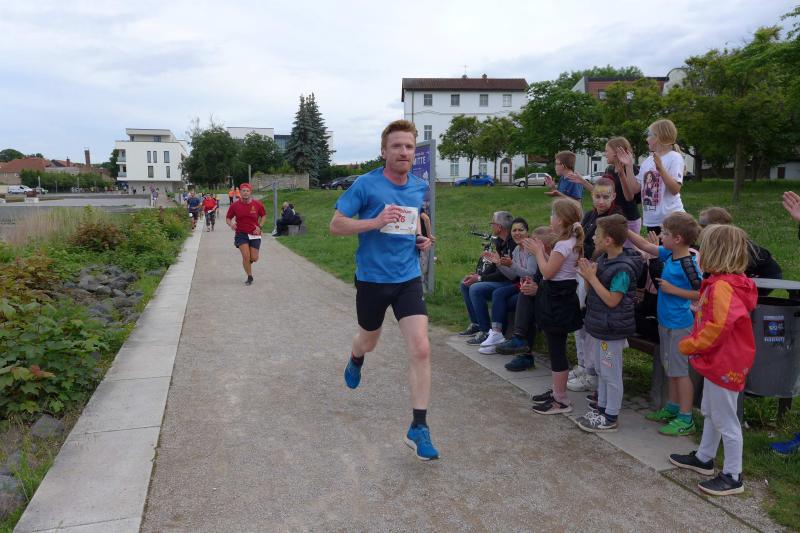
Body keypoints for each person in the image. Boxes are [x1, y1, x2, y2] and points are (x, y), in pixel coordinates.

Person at [330, 119, 437, 461]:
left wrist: (422, 239)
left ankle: (418, 426)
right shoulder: (366, 184)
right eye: (397, 146)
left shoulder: (419, 187)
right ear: (383, 150)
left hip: (407, 278)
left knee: (421, 347)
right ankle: (356, 356)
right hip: (373, 280)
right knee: (369, 340)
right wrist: (375, 222)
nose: (404, 152)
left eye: (409, 146)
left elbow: (415, 220)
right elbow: (336, 225)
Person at [668, 224, 757, 496]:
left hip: (724, 361)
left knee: (725, 419)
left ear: (715, 252)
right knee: (710, 410)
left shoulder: (722, 287)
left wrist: (690, 344)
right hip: (720, 360)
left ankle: (733, 475)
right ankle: (705, 457)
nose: (700, 253)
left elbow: (718, 327)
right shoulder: (725, 283)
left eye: (704, 248)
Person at [627, 212, 702, 436]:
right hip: (665, 321)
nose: (661, 237)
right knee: (670, 367)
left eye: (665, 234)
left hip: (680, 324)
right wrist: (624, 228)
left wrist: (673, 290)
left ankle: (686, 418)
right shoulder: (669, 254)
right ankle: (672, 407)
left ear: (677, 238)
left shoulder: (688, 264)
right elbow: (644, 245)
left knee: (680, 372)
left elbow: (702, 293)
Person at [574, 215, 643, 432]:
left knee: (611, 374)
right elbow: (592, 292)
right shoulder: (604, 259)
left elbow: (613, 300)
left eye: (597, 234)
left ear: (608, 240)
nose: (593, 237)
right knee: (602, 371)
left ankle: (611, 416)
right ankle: (602, 410)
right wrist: (587, 276)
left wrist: (593, 278)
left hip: (612, 330)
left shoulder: (623, 269)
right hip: (600, 327)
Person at [528, 198, 584, 415]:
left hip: (557, 299)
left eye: (552, 215)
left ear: (560, 220)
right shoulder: (570, 240)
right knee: (556, 347)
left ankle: (561, 400)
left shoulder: (563, 245)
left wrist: (538, 252)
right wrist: (542, 252)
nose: (550, 219)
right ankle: (556, 391)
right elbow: (555, 267)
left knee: (557, 349)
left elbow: (547, 272)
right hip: (561, 297)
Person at [568, 177, 625, 393]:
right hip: (583, 270)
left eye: (605, 197)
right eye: (597, 196)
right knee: (579, 321)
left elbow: (603, 248)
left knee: (588, 323)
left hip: (597, 274)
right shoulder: (590, 215)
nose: (601, 201)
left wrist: (587, 262)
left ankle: (591, 371)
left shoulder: (615, 218)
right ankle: (583, 364)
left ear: (613, 196)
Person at [495, 227, 556, 371]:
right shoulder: (538, 255)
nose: (530, 245)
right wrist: (532, 285)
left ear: (543, 245)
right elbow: (535, 278)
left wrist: (538, 290)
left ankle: (520, 343)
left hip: (558, 303)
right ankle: (520, 344)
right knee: (523, 294)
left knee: (522, 298)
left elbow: (559, 285)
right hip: (543, 297)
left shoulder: (555, 256)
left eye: (534, 242)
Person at [477, 218, 539, 354]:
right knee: (499, 294)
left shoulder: (531, 249)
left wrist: (512, 265)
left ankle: (499, 336)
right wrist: (499, 263)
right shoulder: (516, 249)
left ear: (527, 232)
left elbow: (531, 274)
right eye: (514, 230)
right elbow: (512, 275)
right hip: (521, 284)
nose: (517, 233)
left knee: (501, 296)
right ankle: (497, 334)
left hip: (532, 287)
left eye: (521, 230)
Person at [458, 211, 517, 346]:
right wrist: (478, 275)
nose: (491, 226)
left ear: (499, 227)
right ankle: (476, 323)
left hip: (510, 281)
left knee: (476, 288)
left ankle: (485, 331)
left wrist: (480, 278)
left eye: (492, 223)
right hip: (502, 278)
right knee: (465, 283)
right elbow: (495, 266)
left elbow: (504, 273)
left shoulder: (513, 244)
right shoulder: (500, 241)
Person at [621, 119, 686, 234]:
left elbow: (675, 189)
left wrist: (660, 168)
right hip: (652, 221)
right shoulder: (648, 161)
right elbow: (635, 189)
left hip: (672, 220)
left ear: (659, 137)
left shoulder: (674, 157)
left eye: (649, 135)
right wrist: (629, 166)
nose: (647, 139)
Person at [699, 207, 782, 295]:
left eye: (703, 225)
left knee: (742, 295)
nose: (700, 228)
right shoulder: (716, 243)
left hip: (765, 275)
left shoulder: (737, 243)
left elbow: (739, 266)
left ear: (717, 225)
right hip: (748, 273)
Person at [226, 183, 266, 285]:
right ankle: (249, 276)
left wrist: (260, 227)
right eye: (243, 191)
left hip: (254, 234)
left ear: (250, 192)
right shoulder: (235, 205)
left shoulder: (257, 204)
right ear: (240, 192)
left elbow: (263, 216)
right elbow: (228, 218)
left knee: (254, 258)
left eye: (247, 191)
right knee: (245, 256)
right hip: (241, 234)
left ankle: (249, 261)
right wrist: (231, 224)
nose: (245, 193)